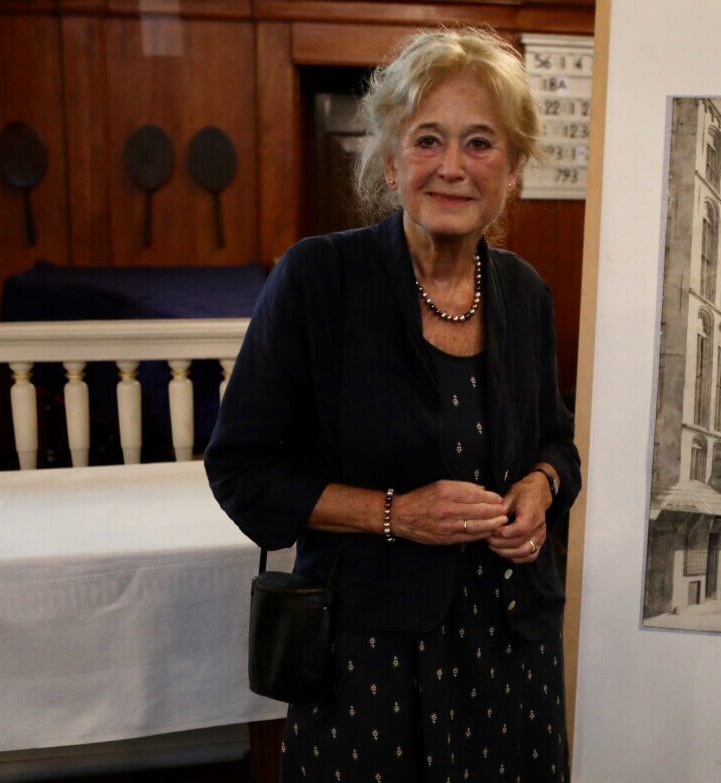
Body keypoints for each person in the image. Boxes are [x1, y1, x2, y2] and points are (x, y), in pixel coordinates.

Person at [204, 27, 580, 783]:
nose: (451, 167)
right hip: (366, 662)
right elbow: (241, 470)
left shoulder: (527, 294)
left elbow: (557, 443)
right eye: (427, 140)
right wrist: (394, 513)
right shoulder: (319, 280)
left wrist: (540, 488)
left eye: (479, 144)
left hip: (510, 656)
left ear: (511, 171)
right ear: (389, 160)